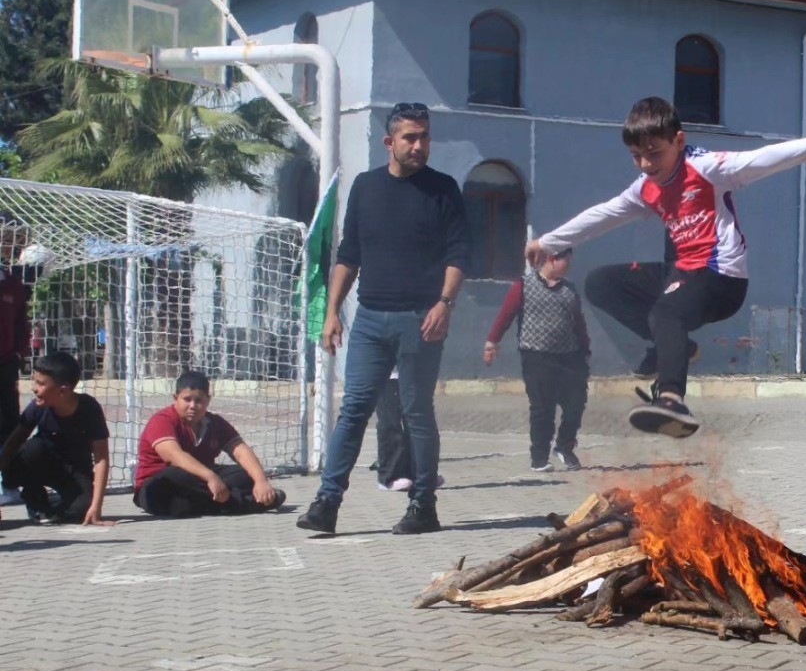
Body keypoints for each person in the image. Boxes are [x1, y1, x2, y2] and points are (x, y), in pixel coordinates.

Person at [524, 97, 806, 438]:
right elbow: (604, 215)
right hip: (684, 271)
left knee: (665, 312)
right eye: (636, 156)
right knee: (601, 283)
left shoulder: (707, 167)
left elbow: (763, 159)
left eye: (654, 153)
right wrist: (548, 242)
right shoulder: (645, 188)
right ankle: (678, 347)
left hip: (721, 278)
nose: (646, 164)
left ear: (678, 141)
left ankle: (671, 399)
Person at [297, 103, 469, 536]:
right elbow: (349, 254)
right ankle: (327, 503)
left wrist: (444, 304)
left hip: (420, 320)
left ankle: (423, 506)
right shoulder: (366, 186)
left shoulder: (444, 189)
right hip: (370, 319)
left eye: (425, 136)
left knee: (416, 412)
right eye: (410, 137)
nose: (419, 145)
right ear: (390, 142)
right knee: (354, 409)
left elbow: (458, 255)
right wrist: (332, 313)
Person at [484, 248, 591, 473]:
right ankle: (539, 458)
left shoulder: (569, 289)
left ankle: (565, 447)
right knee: (543, 408)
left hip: (570, 356)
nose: (569, 267)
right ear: (551, 259)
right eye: (566, 262)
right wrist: (492, 342)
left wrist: (585, 348)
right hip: (536, 356)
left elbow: (578, 322)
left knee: (575, 404)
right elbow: (506, 315)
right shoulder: (524, 286)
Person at [132, 371, 286, 517]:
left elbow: (240, 451)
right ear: (175, 398)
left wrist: (261, 480)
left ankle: (223, 501)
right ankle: (244, 502)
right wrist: (211, 477)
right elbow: (174, 456)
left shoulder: (214, 422)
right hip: (161, 488)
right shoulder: (162, 420)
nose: (193, 406)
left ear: (208, 400)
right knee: (174, 477)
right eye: (187, 399)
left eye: (199, 400)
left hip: (197, 485)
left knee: (245, 474)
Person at [0, 352, 110, 524]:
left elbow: (101, 459)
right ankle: (35, 499)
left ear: (62, 390)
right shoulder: (37, 407)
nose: (34, 388)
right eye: (34, 382)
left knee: (82, 509)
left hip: (75, 470)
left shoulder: (89, 409)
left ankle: (55, 506)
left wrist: (96, 507)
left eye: (41, 383)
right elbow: (11, 446)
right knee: (29, 451)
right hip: (43, 463)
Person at [0, 212, 29, 507]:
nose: (9, 243)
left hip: (5, 365)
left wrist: (19, 353)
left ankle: (9, 484)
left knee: (9, 424)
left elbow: (22, 324)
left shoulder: (12, 283)